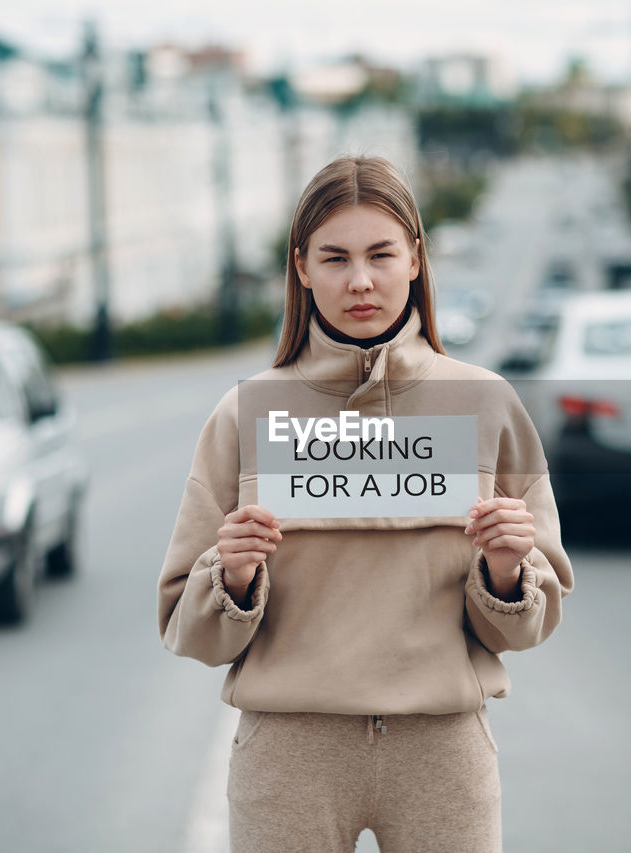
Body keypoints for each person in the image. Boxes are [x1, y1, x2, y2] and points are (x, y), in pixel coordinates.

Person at [157, 155, 573, 853]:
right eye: (334, 257)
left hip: (442, 752)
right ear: (301, 268)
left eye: (381, 254)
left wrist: (507, 571)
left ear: (415, 258)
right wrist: (229, 578)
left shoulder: (486, 404)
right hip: (288, 756)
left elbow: (528, 625)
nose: (359, 280)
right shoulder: (244, 413)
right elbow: (186, 628)